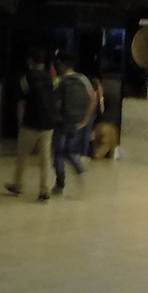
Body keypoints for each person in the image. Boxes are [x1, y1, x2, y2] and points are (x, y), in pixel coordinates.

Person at [5, 51, 59, 201]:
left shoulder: (26, 78)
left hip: (31, 121)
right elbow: (55, 98)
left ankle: (17, 185)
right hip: (48, 123)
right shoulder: (52, 78)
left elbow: (21, 102)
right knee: (45, 157)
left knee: (23, 155)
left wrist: (20, 121)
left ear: (30, 61)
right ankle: (44, 189)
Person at [52, 55, 98, 194]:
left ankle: (60, 184)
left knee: (58, 153)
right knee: (70, 151)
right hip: (76, 121)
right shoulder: (83, 79)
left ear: (63, 65)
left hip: (62, 122)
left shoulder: (61, 82)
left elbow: (55, 102)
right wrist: (86, 119)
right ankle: (80, 171)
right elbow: (93, 98)